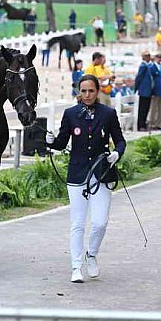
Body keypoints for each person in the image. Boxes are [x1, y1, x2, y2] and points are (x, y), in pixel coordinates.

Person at [45, 74, 126, 283]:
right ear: (78, 92)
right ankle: (76, 266)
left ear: (97, 91)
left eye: (91, 91)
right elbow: (62, 143)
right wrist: (51, 142)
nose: (87, 95)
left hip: (101, 173)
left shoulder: (108, 113)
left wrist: (116, 153)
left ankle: (91, 253)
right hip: (78, 174)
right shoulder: (71, 114)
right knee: (77, 223)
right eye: (83, 91)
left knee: (100, 222)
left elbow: (120, 140)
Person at [134, 51, 153, 131]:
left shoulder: (147, 66)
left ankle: (144, 124)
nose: (149, 57)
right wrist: (136, 88)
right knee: (142, 108)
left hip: (148, 91)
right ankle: (141, 125)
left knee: (146, 108)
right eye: (147, 56)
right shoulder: (143, 66)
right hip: (144, 91)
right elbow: (139, 77)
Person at [148, 53, 161, 131]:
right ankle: (152, 123)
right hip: (155, 90)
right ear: (155, 58)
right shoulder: (152, 67)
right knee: (154, 107)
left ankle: (159, 123)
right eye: (158, 57)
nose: (160, 59)